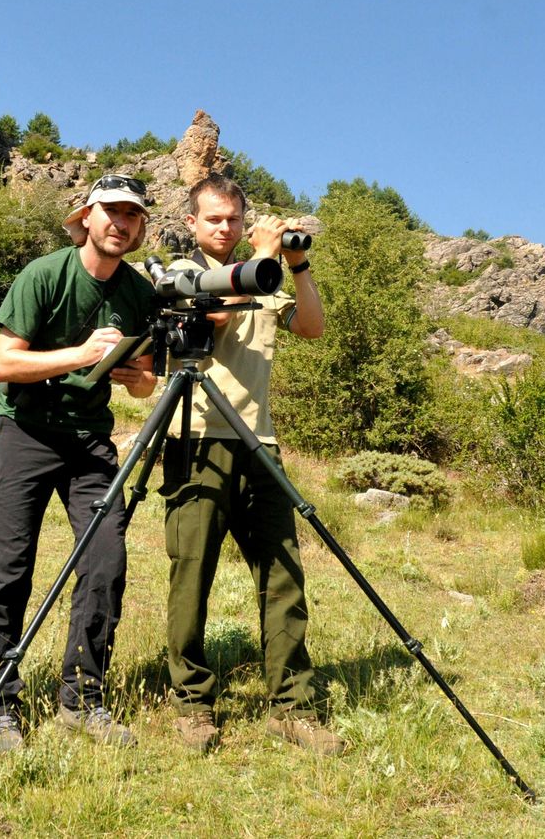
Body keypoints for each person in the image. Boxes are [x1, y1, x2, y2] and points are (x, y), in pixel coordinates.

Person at [0, 173, 158, 753]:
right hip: (24, 430)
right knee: (9, 566)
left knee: (106, 563)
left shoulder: (139, 292)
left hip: (90, 441)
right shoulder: (45, 274)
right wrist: (80, 355)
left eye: (132, 216)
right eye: (112, 212)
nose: (121, 224)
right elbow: (2, 365)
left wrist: (129, 373)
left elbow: (146, 384)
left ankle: (82, 698)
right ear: (87, 216)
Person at [159, 173, 344, 754]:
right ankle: (192, 702)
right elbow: (209, 317)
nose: (226, 229)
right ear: (193, 223)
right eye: (214, 219)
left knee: (283, 575)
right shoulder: (177, 272)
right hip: (196, 437)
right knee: (193, 574)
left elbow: (311, 327)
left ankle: (293, 705)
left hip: (259, 441)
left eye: (234, 220)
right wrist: (262, 255)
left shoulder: (264, 278)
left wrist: (296, 265)